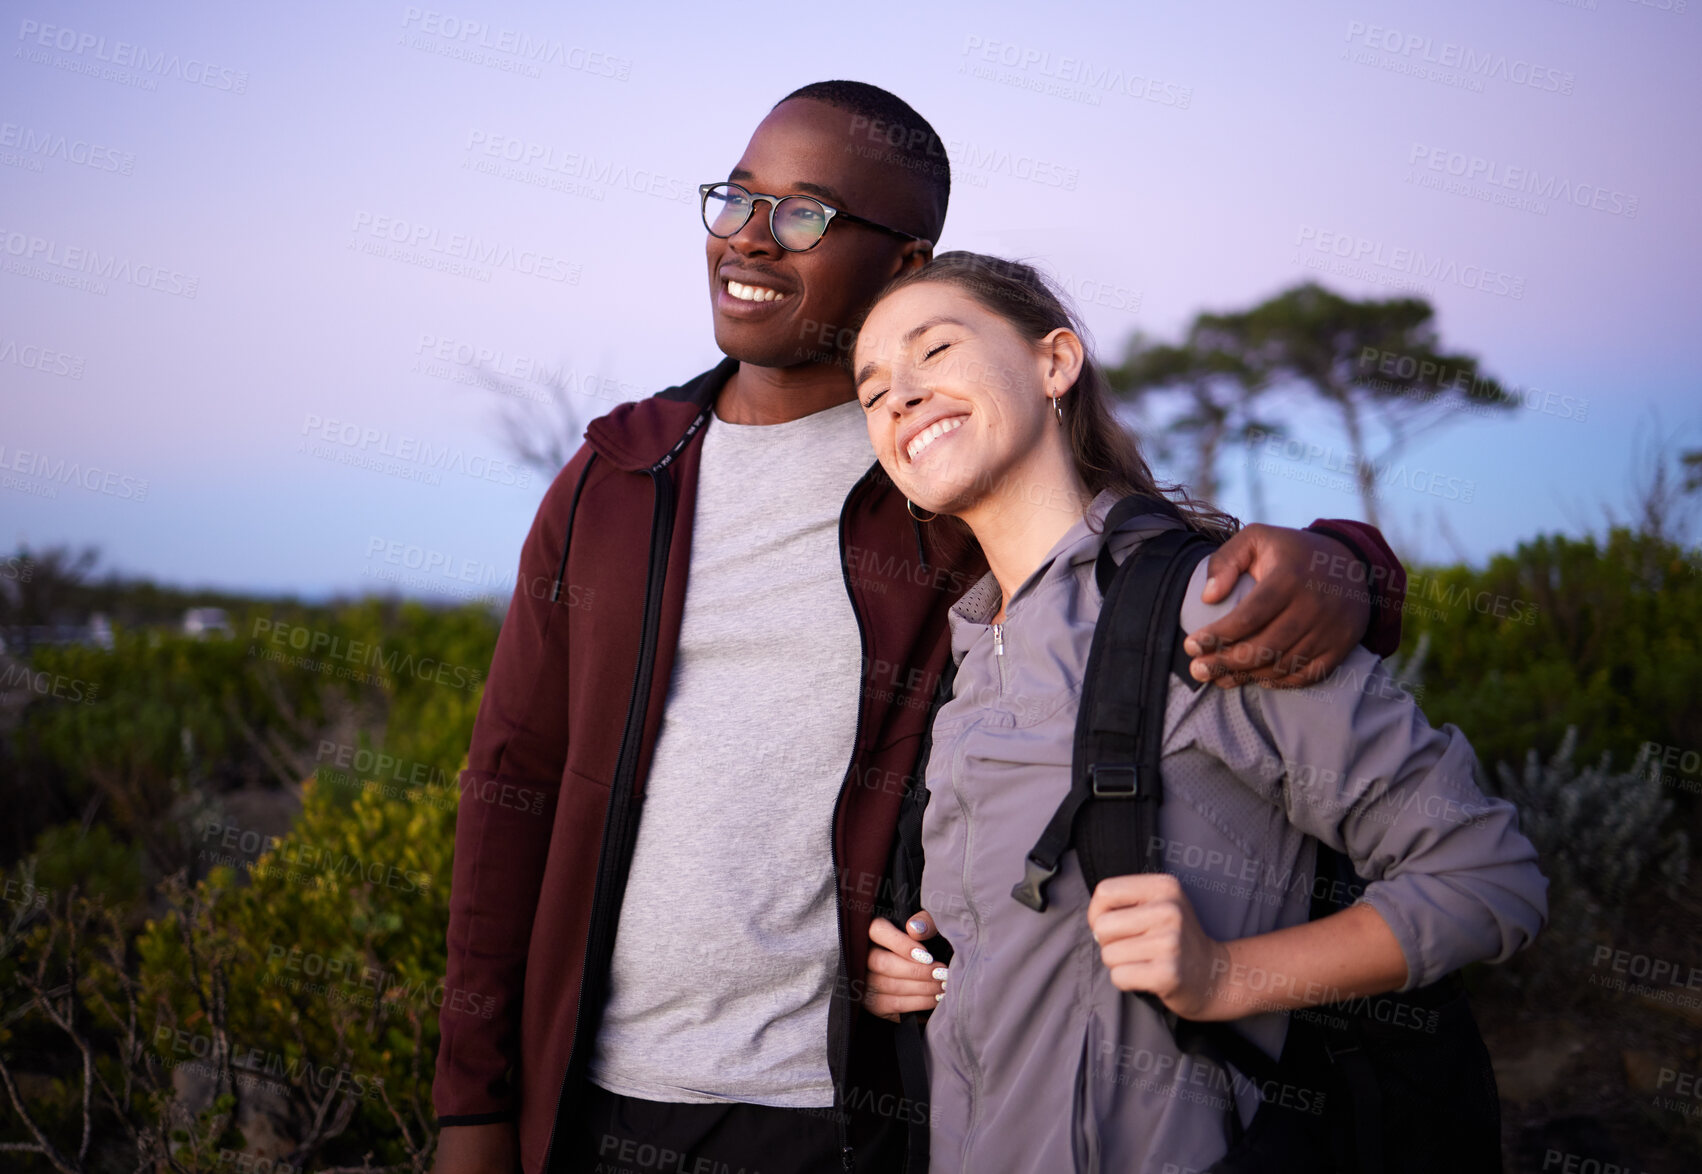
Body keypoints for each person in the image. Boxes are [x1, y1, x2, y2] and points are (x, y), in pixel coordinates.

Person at [432, 84, 1414, 1174]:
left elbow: (1159, 562)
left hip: (857, 1107)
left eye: (803, 214)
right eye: (734, 199)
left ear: (905, 263)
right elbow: (508, 784)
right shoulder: (618, 476)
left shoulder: (947, 467)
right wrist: (471, 1106)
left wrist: (1348, 568)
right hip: (606, 1092)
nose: (748, 240)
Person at [853, 252, 1548, 1173]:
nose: (899, 396)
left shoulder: (1210, 609)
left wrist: (1226, 977)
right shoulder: (968, 657)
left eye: (935, 350)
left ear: (1055, 364)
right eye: (871, 393)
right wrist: (919, 970)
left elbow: (1486, 875)